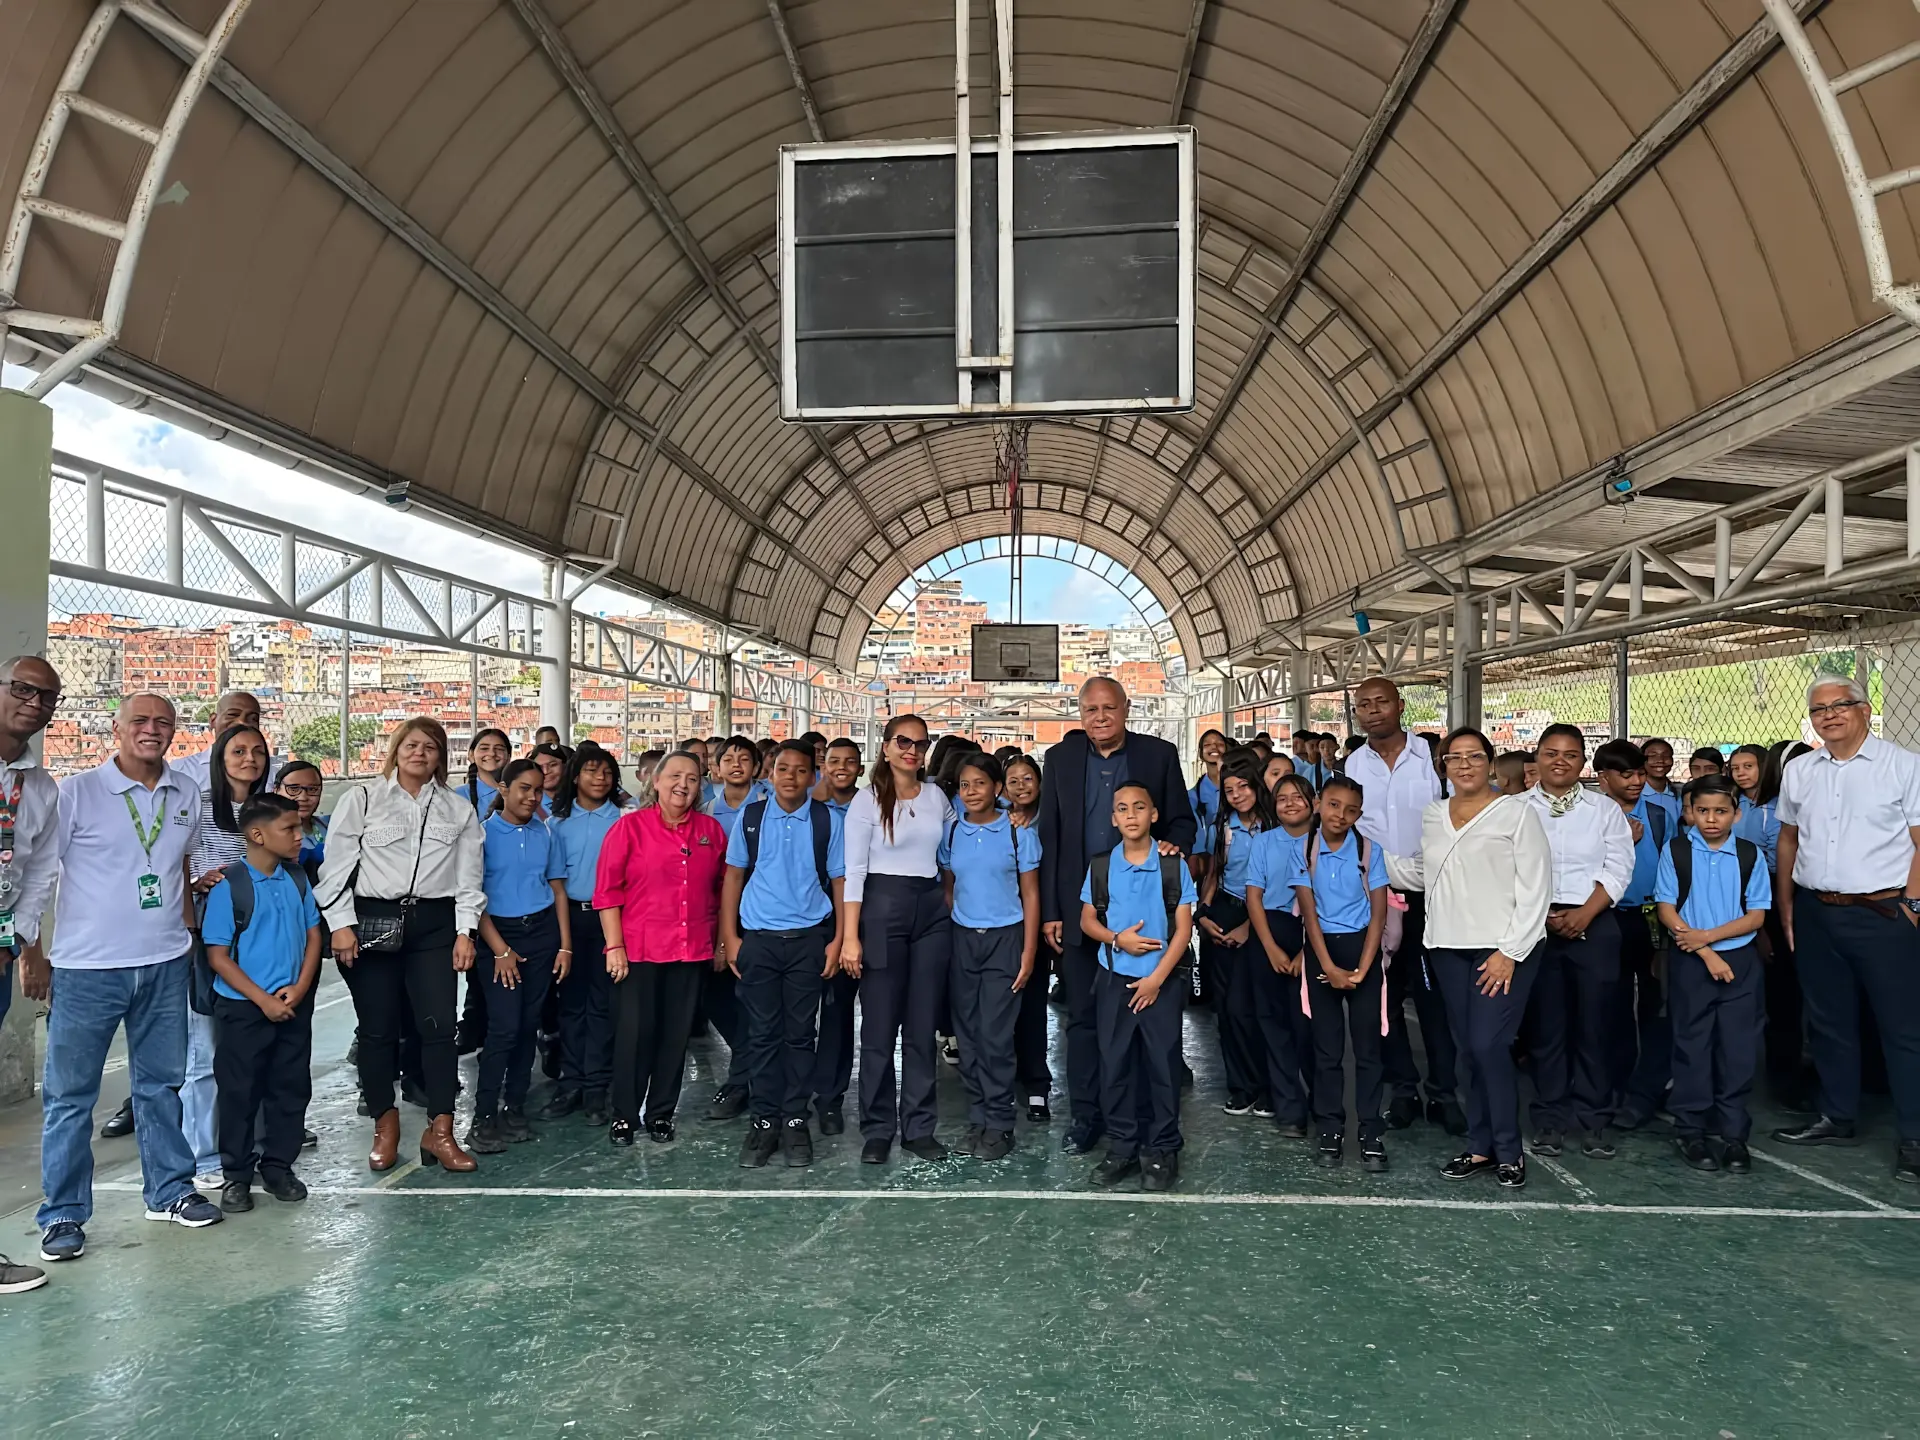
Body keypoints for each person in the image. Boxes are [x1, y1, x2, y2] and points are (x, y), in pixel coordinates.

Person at [39, 692, 225, 1265]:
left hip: (166, 962)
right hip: (87, 968)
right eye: (140, 721)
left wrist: (190, 939)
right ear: (116, 730)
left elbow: (180, 869)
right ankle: (63, 1214)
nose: (152, 730)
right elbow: (43, 871)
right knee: (71, 1097)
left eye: (163, 723)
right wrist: (31, 952)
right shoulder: (77, 793)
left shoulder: (186, 792)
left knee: (160, 1085)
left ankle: (170, 1191)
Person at [1385, 727, 1551, 1188]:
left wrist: (1509, 952)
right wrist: (1370, 856)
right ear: (1443, 768)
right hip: (1447, 948)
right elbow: (1425, 873)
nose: (1463, 765)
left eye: (1473, 756)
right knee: (1468, 1050)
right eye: (1453, 758)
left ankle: (1508, 1149)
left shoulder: (1517, 813)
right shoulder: (1434, 815)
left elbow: (1536, 888)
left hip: (1502, 949)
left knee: (1488, 1045)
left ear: (1491, 763)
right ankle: (1480, 1147)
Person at [319, 717, 486, 1174]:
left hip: (435, 925)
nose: (420, 753)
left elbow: (470, 878)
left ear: (440, 757)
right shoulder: (364, 799)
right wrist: (340, 924)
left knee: (438, 1029)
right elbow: (335, 869)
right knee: (377, 1031)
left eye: (430, 747)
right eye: (411, 745)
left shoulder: (458, 811)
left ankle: (441, 1130)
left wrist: (464, 932)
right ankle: (385, 1124)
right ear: (396, 750)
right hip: (374, 921)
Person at [1038, 678, 1195, 1156]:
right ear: (1079, 713)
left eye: (1109, 708)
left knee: (1150, 1026)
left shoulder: (1159, 754)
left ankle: (1149, 1123)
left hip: (1148, 922)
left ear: (1126, 709)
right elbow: (1051, 837)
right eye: (1090, 709)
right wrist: (1051, 911)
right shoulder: (1060, 760)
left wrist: (1173, 844)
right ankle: (1088, 1117)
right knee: (1083, 1021)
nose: (1100, 717)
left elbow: (1184, 822)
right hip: (1084, 916)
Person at [1773, 675, 1920, 1183]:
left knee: (1903, 1030)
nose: (1830, 715)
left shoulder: (1903, 767)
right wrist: (1788, 907)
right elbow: (1789, 839)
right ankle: (1838, 1116)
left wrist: (1914, 908)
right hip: (1817, 912)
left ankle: (1915, 1137)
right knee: (1830, 1022)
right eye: (1819, 710)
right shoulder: (1800, 771)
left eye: (1841, 705)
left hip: (1883, 915)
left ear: (1864, 708)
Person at [721, 741, 846, 1169]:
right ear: (769, 774)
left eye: (800, 771)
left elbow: (841, 882)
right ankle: (763, 1121)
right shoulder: (752, 817)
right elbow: (734, 876)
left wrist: (840, 939)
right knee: (761, 1034)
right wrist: (729, 937)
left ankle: (795, 1119)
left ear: (814, 777)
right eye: (782, 769)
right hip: (758, 940)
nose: (790, 777)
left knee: (799, 1035)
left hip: (809, 940)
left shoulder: (827, 820)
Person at [1345, 677, 1459, 1133]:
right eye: (1364, 705)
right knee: (1385, 1003)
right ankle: (1403, 1090)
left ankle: (1445, 1094)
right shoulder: (1354, 764)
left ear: (1401, 706)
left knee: (1436, 1000)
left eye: (1382, 703)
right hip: (1376, 903)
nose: (1374, 711)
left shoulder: (1433, 761)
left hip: (1432, 897)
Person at [202, 793, 323, 1213]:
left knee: (290, 1088)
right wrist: (262, 1000)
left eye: (299, 828)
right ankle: (236, 1175)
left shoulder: (296, 879)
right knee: (239, 1092)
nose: (298, 837)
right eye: (289, 829)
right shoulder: (230, 887)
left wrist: (301, 986)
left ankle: (279, 1167)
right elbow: (217, 956)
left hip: (292, 1004)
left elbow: (313, 935)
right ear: (257, 834)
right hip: (243, 1009)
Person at [597, 752, 726, 1144]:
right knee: (635, 1035)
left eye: (692, 778)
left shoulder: (711, 831)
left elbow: (723, 892)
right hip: (639, 950)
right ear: (655, 781)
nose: (682, 785)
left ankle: (661, 1114)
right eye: (674, 776)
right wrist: (614, 946)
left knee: (675, 1037)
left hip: (692, 951)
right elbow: (607, 893)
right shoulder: (629, 828)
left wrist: (721, 944)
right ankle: (624, 1114)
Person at [1520, 724, 1635, 1161]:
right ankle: (1549, 1120)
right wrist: (1543, 916)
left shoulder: (1604, 810)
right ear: (1538, 759)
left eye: (1570, 754)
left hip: (1595, 921)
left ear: (1584, 762)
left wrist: (1586, 913)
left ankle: (1594, 1120)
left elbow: (1619, 867)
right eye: (1551, 753)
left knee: (1594, 1027)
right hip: (1536, 923)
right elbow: (1509, 868)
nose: (1560, 761)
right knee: (1546, 1030)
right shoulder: (1515, 809)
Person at [843, 715, 954, 1163]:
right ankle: (877, 1128)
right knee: (879, 1027)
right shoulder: (866, 802)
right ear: (886, 747)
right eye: (903, 741)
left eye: (921, 743)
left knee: (922, 1026)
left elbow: (954, 848)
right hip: (881, 910)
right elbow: (854, 872)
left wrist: (946, 898)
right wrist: (851, 937)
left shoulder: (936, 796)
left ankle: (919, 1127)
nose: (912, 750)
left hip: (929, 912)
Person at [1078, 782, 1198, 1192]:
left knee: (1162, 1066)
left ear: (1154, 815)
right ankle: (1123, 1147)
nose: (1130, 815)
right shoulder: (1100, 866)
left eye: (1139, 807)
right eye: (1122, 809)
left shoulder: (1171, 865)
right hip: (1114, 979)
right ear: (1113, 818)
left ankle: (1163, 1148)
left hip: (1160, 981)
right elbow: (1088, 920)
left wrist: (1156, 980)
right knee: (1115, 1067)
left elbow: (1183, 930)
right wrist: (1117, 940)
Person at [1655, 774, 1771, 1172]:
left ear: (1737, 815)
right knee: (1692, 1046)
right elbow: (1667, 909)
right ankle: (1691, 1130)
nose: (1710, 819)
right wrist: (1706, 952)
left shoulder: (1750, 855)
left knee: (1738, 1049)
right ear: (1689, 813)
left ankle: (1734, 1135)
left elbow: (1756, 916)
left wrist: (1710, 938)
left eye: (1720, 811)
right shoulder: (1676, 851)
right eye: (1701, 810)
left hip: (1738, 961)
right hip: (1692, 960)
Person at [183, 722, 272, 1190]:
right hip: (213, 934)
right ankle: (203, 1157)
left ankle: (248, 1144)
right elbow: (180, 860)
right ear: (220, 758)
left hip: (260, 938)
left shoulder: (269, 810)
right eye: (239, 751)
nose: (249, 759)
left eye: (258, 751)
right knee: (205, 1052)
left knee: (252, 1047)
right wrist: (197, 886)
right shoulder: (196, 806)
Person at [939, 752, 1040, 1160]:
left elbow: (1031, 894)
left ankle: (999, 1122)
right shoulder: (950, 834)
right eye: (964, 785)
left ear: (997, 788)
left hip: (1007, 938)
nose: (971, 792)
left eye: (980, 783)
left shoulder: (1018, 834)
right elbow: (949, 888)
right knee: (968, 1036)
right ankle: (978, 1117)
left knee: (996, 1036)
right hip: (963, 939)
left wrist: (1029, 950)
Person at [466, 759, 571, 1153]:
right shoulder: (480, 836)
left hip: (541, 936)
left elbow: (557, 889)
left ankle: (514, 1107)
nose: (531, 796)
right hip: (499, 939)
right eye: (523, 788)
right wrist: (500, 951)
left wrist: (564, 945)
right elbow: (474, 899)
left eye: (538, 790)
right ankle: (484, 1115)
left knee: (528, 1027)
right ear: (504, 790)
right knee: (504, 1028)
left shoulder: (546, 834)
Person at [1289, 775, 1391, 1172]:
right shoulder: (1305, 848)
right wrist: (1329, 968)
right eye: (1333, 805)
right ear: (1318, 804)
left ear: (1359, 815)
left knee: (1368, 1050)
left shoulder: (1369, 849)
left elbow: (1379, 912)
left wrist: (1365, 967)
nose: (1340, 815)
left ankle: (1371, 1132)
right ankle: (1330, 1129)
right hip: (1322, 954)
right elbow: (1309, 915)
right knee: (1327, 1050)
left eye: (1350, 810)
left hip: (1363, 949)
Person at [0, 657, 62, 1291]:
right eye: (22, 689)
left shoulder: (40, 788)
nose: (34, 703)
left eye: (47, 697)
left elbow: (36, 873)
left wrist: (20, 941)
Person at [1591, 740, 1671, 1132]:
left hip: (1654, 919)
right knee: (1613, 1005)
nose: (1638, 780)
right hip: (1607, 919)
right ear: (1603, 778)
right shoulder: (1591, 818)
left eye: (1641, 773)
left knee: (1657, 1007)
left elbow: (1673, 867)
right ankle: (1615, 1088)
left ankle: (1648, 1092)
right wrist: (1623, 842)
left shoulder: (1658, 815)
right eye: (1627, 774)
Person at [544, 747, 625, 1125]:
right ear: (575, 776)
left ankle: (597, 1088)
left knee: (604, 1007)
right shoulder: (556, 824)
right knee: (571, 1007)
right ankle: (571, 1082)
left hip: (613, 923)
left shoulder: (625, 820)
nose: (600, 778)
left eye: (607, 772)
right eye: (592, 771)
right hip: (569, 922)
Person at [1198, 751, 1276, 1118]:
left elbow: (1280, 884)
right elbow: (1216, 871)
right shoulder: (1223, 826)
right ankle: (1240, 1086)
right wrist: (1203, 913)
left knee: (1255, 1007)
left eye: (1244, 786)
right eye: (1229, 790)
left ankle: (1267, 1087)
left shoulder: (1273, 826)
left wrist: (1251, 927)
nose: (1237, 795)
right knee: (1227, 1010)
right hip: (1224, 909)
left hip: (1262, 914)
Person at [1244, 773, 1317, 1137]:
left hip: (1314, 935)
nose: (1289, 803)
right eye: (1282, 798)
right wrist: (1271, 947)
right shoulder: (1264, 842)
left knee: (1308, 1027)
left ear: (1314, 803)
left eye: (1298, 797)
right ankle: (1290, 1109)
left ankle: (1322, 1101)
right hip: (1269, 932)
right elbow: (1253, 896)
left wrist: (1308, 951)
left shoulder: (1324, 841)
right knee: (1272, 1024)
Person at [698, 735, 766, 1120]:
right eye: (728, 758)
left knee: (758, 1000)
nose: (736, 763)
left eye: (745, 758)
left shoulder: (771, 805)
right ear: (716, 767)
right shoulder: (705, 811)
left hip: (761, 914)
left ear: (757, 767)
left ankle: (745, 1082)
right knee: (718, 995)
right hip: (715, 912)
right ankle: (746, 1066)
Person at [810, 738, 863, 1129]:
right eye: (834, 761)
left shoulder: (872, 805)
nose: (841, 767)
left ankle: (829, 1098)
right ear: (823, 766)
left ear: (861, 768)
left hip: (862, 919)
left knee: (839, 1012)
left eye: (850, 761)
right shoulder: (806, 808)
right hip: (815, 919)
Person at [1003, 752, 1054, 1120]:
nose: (1021, 787)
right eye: (1013, 781)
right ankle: (1003, 1084)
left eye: (1028, 779)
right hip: (1001, 926)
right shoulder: (997, 820)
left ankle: (1037, 1085)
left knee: (1033, 1007)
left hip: (1040, 923)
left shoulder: (1053, 818)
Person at [275, 760, 328, 882]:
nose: (303, 797)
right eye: (293, 789)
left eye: (312, 789)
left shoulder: (330, 826)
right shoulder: (265, 833)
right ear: (276, 790)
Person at [1188, 729, 1229, 880]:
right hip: (1208, 864)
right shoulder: (1193, 796)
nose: (1214, 748)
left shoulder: (1239, 789)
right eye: (1207, 744)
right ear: (1200, 753)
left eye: (1219, 744)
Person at [463, 728, 510, 815]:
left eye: (499, 749)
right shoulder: (458, 796)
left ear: (508, 756)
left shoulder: (519, 793)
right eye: (484, 748)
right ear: (471, 754)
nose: (492, 753)